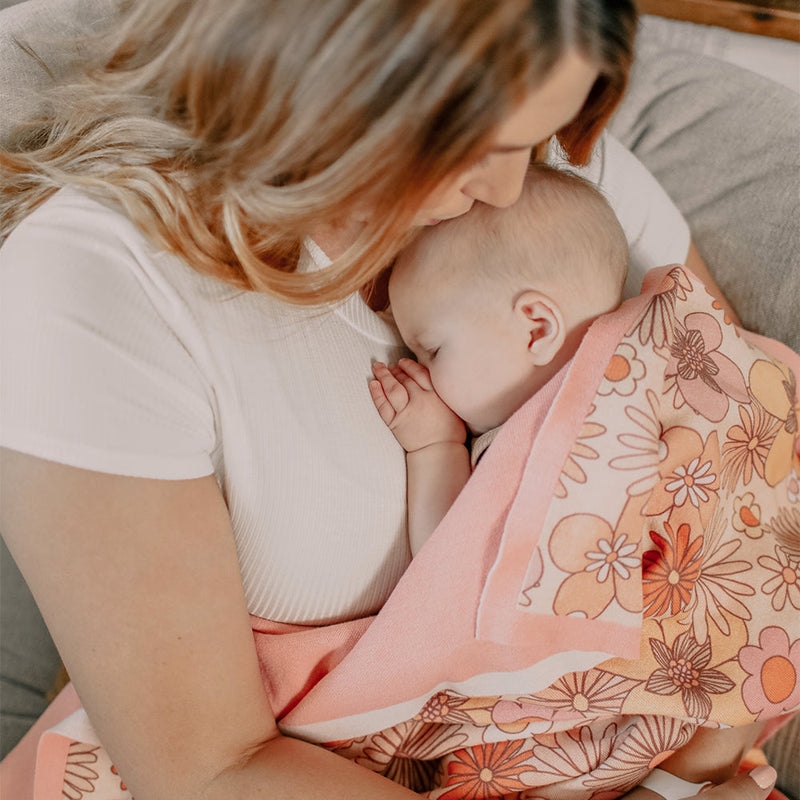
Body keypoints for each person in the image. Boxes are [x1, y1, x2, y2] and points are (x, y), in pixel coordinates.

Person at [0, 1, 780, 798]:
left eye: (534, 136)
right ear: (345, 76)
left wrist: (692, 778)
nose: (511, 185)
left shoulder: (559, 187)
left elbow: (748, 477)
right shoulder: (99, 288)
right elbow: (211, 770)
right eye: (484, 143)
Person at [369, 163, 795, 797]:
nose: (420, 371)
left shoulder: (566, 435)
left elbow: (458, 574)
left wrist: (434, 447)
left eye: (433, 350)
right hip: (714, 694)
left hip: (645, 699)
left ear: (536, 326)